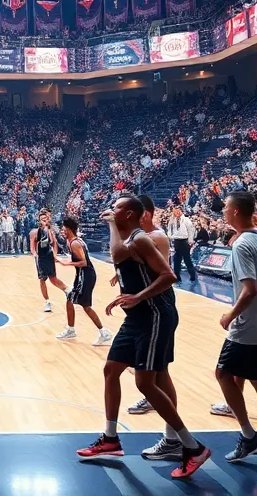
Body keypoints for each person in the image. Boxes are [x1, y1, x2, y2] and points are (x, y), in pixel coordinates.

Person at [79, 196, 209, 480]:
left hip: (154, 315)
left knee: (145, 382)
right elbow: (125, 262)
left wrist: (137, 296)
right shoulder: (131, 241)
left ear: (130, 214)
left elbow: (168, 275)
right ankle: (111, 439)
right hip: (137, 316)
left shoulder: (140, 239)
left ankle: (192, 446)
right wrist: (130, 294)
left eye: (117, 208)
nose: (112, 210)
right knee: (111, 370)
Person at [214, 191, 257, 463]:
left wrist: (229, 316)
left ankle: (248, 435)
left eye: (225, 208)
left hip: (246, 324)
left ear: (234, 212)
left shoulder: (242, 244)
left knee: (223, 374)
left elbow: (250, 290)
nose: (222, 211)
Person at [121, 194, 176, 417]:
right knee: (152, 364)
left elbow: (156, 271)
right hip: (147, 302)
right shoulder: (141, 237)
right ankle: (153, 396)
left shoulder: (156, 237)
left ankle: (169, 421)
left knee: (159, 365)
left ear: (144, 214)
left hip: (159, 300)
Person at [55, 217, 111, 345]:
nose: (62, 231)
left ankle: (104, 332)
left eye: (63, 229)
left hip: (86, 275)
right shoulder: (73, 241)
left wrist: (66, 263)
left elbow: (84, 262)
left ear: (68, 230)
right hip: (81, 275)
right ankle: (71, 329)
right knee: (70, 299)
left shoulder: (75, 243)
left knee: (85, 305)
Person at [30, 210, 66, 313]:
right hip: (40, 257)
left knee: (53, 279)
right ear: (39, 221)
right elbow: (32, 247)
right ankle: (47, 302)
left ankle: (67, 291)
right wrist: (35, 255)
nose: (44, 220)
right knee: (42, 280)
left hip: (49, 256)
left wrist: (55, 254)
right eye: (42, 219)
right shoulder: (35, 232)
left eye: (45, 219)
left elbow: (54, 243)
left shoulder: (50, 231)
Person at [167, 210, 196, 283]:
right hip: (177, 241)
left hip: (184, 241)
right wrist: (170, 236)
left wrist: (190, 240)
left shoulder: (186, 220)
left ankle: (192, 276)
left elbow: (190, 230)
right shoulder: (172, 220)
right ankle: (177, 276)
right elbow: (169, 229)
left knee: (187, 259)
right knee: (177, 259)